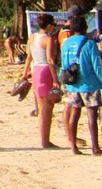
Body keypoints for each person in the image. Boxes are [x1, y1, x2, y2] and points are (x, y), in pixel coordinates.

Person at [59, 10, 102, 155]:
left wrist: (65, 84)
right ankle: (95, 148)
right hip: (90, 84)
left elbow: (64, 64)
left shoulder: (66, 43)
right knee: (92, 115)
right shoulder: (90, 44)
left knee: (75, 114)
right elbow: (97, 66)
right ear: (85, 28)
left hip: (73, 85)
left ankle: (73, 147)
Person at [20, 16, 61, 148]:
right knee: (48, 108)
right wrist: (55, 79)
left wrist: (24, 74)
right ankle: (45, 140)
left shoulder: (32, 37)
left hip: (36, 70)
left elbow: (29, 58)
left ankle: (43, 139)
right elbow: (50, 60)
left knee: (41, 107)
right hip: (46, 71)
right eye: (53, 25)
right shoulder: (47, 39)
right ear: (49, 26)